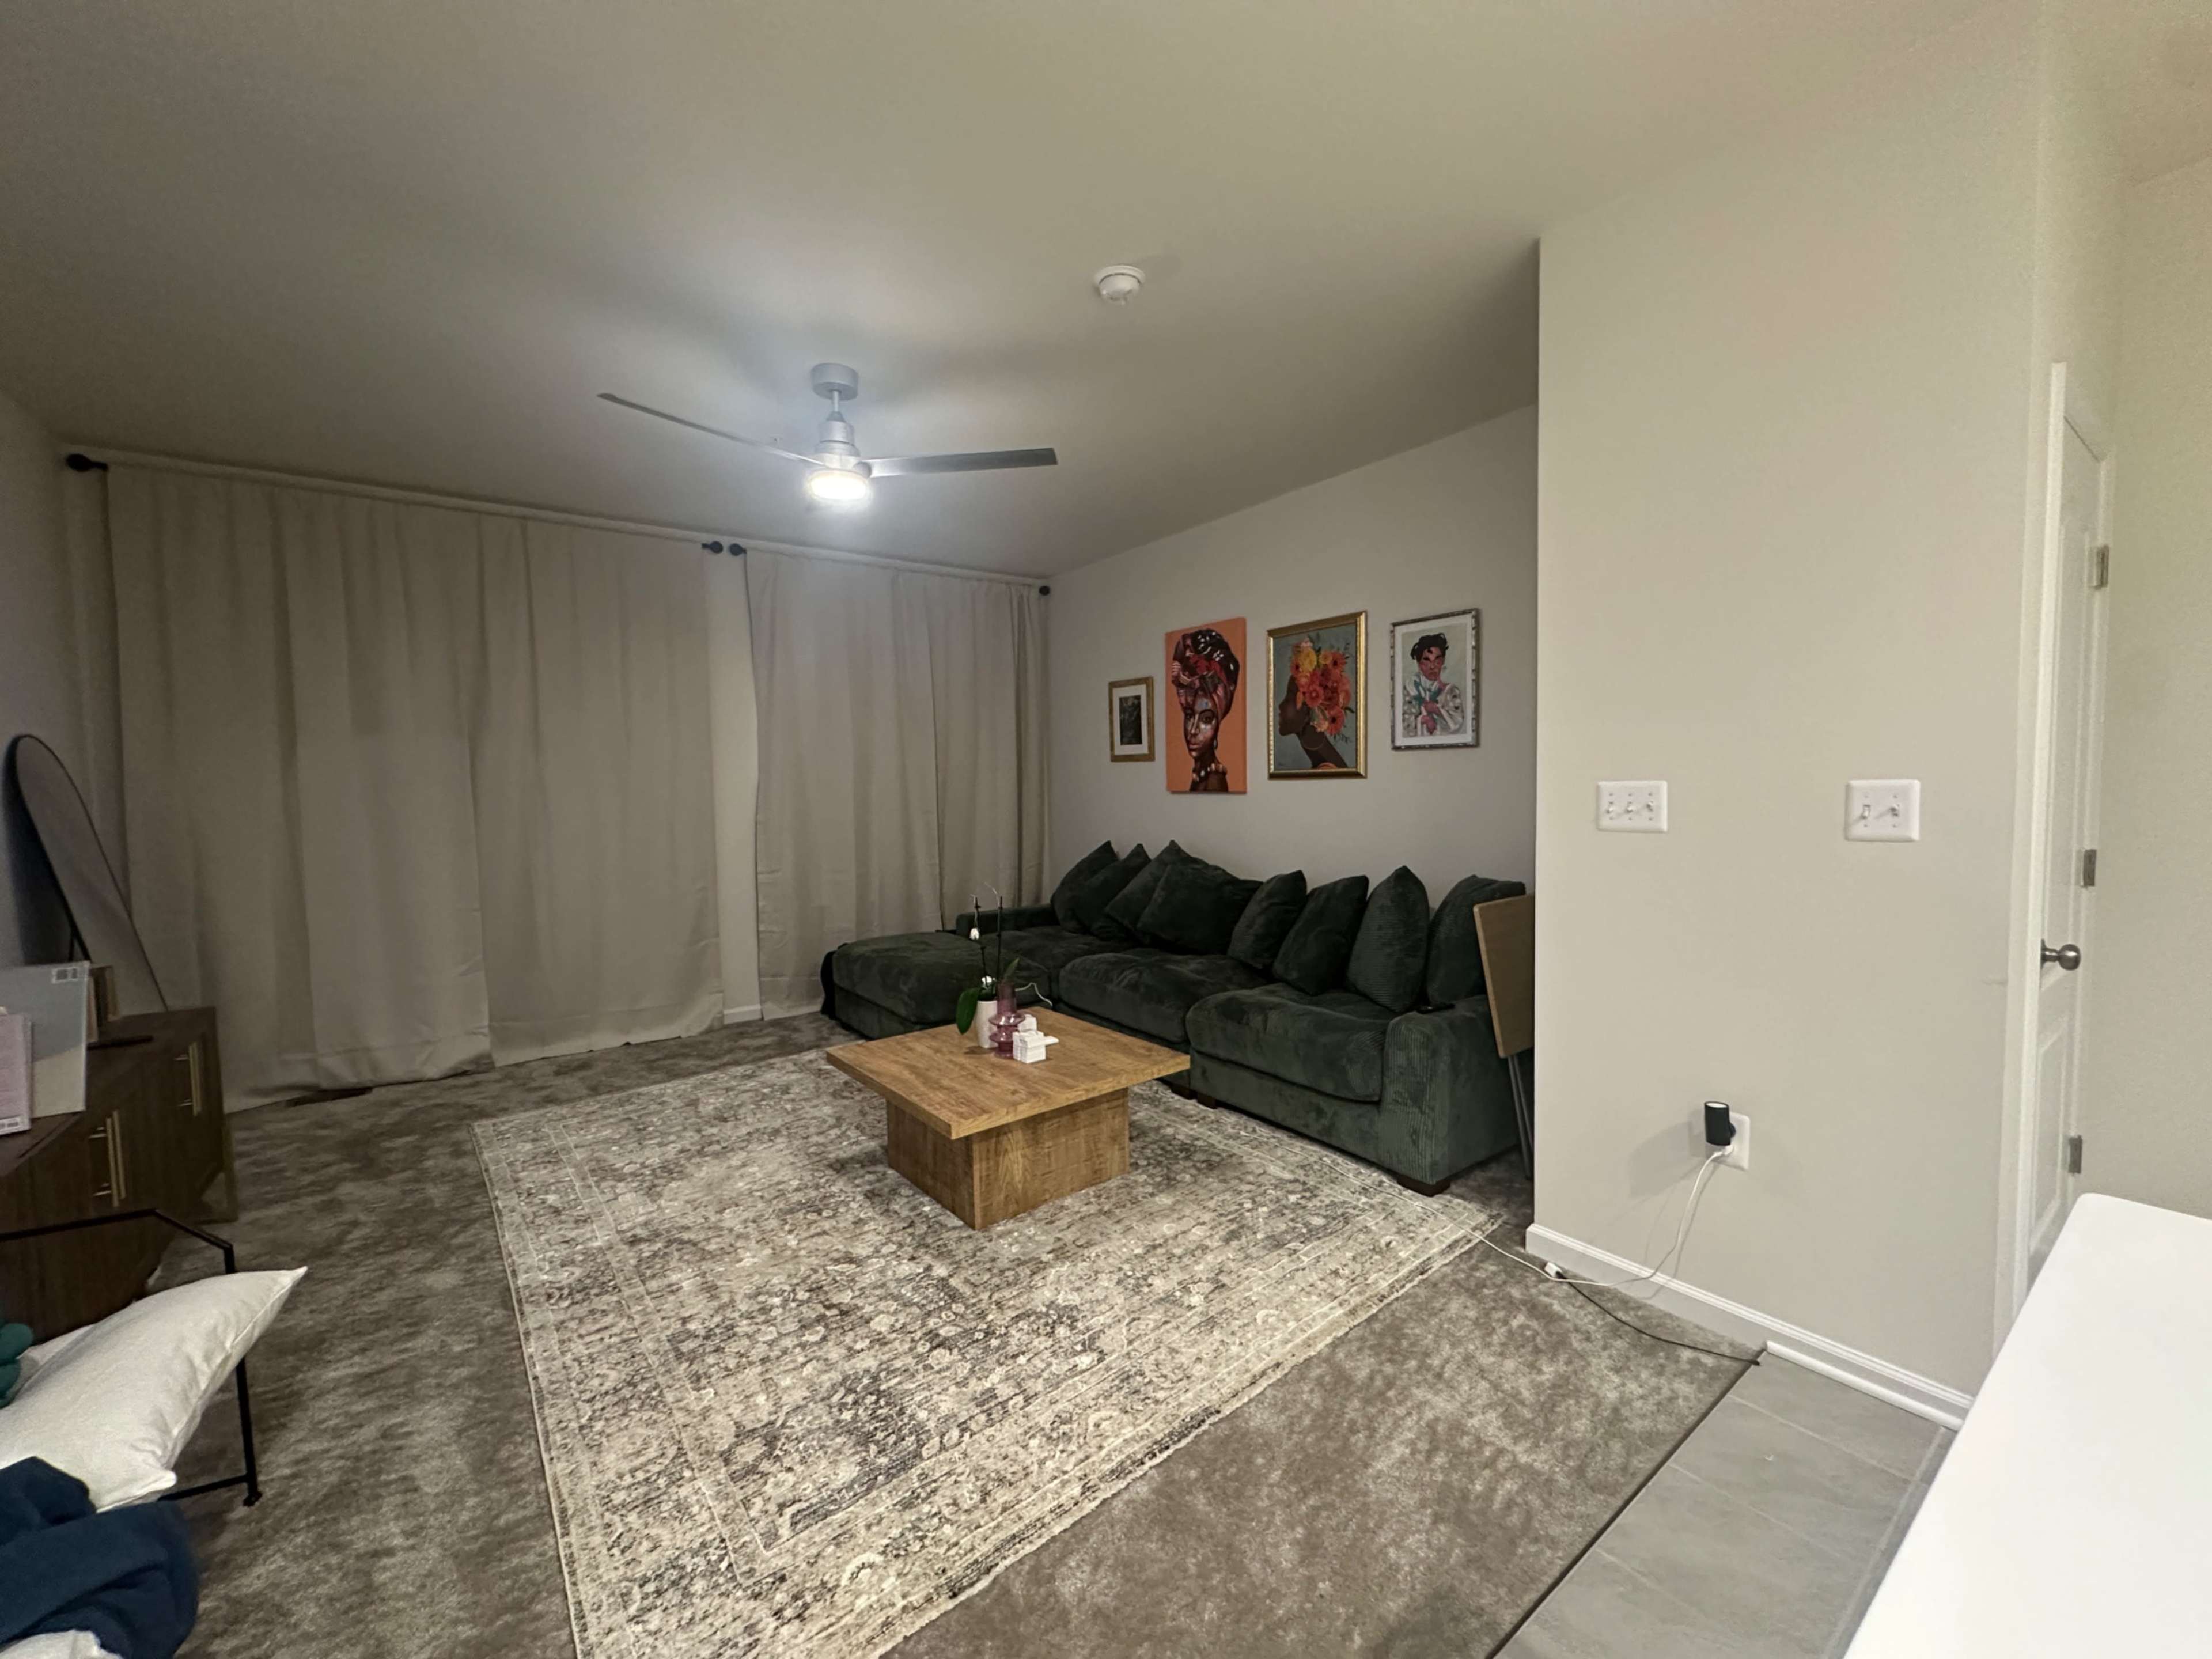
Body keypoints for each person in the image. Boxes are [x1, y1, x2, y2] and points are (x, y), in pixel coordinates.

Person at [1171, 628, 1240, 791]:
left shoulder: (1214, 781)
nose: (1193, 731)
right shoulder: (1202, 774)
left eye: (1206, 719)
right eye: (1189, 716)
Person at [1402, 631, 1464, 738]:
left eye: (1437, 660)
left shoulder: (1451, 691)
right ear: (1419, 664)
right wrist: (1423, 720)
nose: (1432, 667)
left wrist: (1437, 710)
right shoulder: (1410, 690)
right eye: (1427, 661)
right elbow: (1404, 726)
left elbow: (1458, 724)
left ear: (1443, 661)